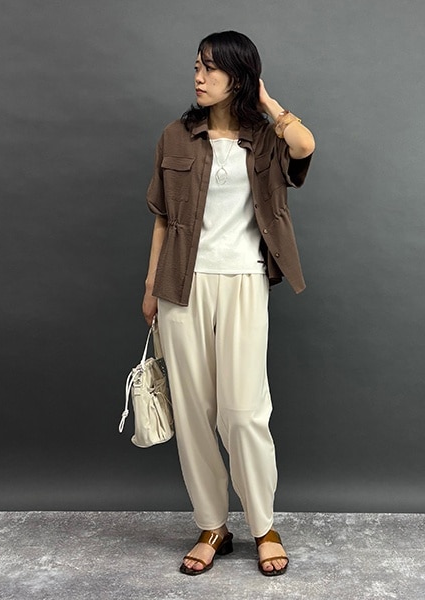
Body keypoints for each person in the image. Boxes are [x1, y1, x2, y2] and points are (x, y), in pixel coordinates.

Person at [142, 30, 315, 577]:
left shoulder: (265, 137)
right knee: (194, 412)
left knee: (243, 413)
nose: (198, 76)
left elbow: (305, 146)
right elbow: (163, 218)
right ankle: (212, 526)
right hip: (181, 285)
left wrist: (268, 102)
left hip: (243, 280)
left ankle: (264, 526)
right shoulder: (175, 136)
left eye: (211, 68)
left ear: (238, 78)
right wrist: (150, 287)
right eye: (196, 66)